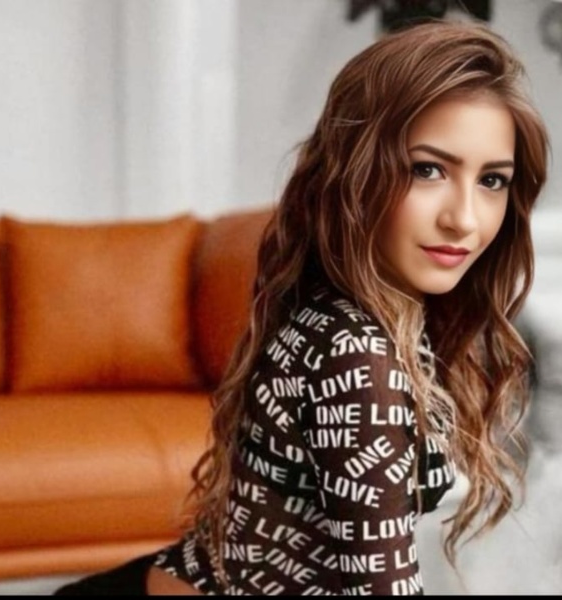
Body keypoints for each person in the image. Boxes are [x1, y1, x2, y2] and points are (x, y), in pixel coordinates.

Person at [56, 19, 549, 596]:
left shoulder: (343, 306)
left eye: (492, 180)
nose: (463, 218)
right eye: (427, 169)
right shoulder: (360, 355)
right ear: (358, 170)